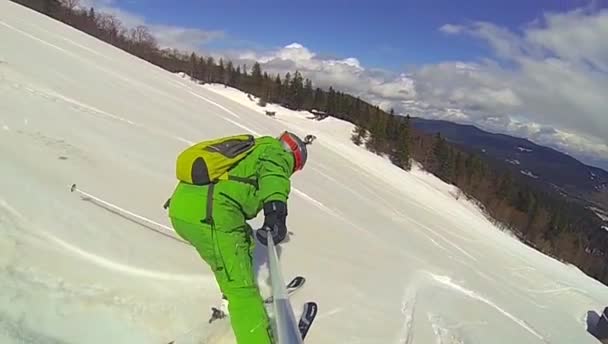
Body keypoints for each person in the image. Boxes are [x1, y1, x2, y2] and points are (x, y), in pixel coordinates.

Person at [167, 131, 312, 344]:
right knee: (242, 291)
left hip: (185, 210)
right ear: (295, 158)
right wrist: (276, 214)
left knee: (244, 240)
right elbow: (274, 178)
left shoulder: (255, 148)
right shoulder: (277, 154)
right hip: (211, 216)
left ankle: (230, 300)